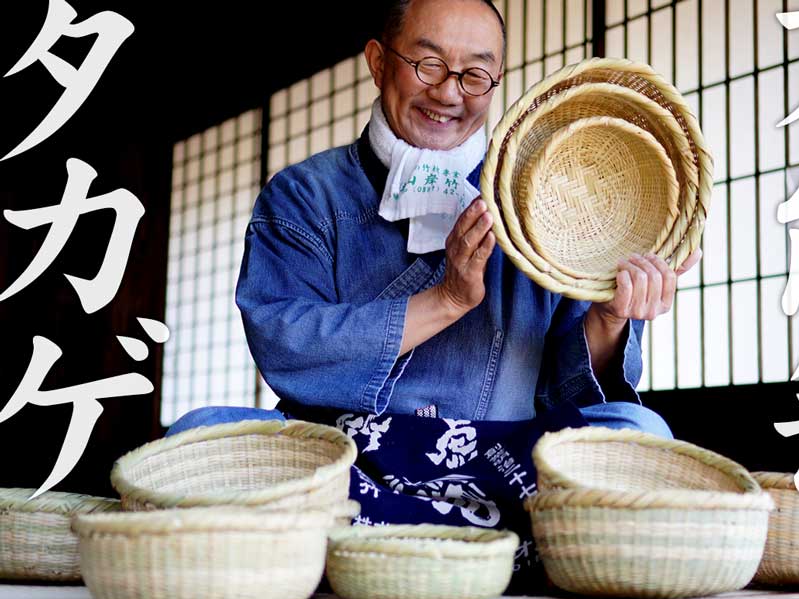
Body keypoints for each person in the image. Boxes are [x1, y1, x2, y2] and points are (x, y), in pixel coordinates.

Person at [168, 0, 699, 438]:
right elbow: (285, 346)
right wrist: (446, 300)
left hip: (495, 457)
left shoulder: (540, 204)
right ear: (378, 63)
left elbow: (570, 392)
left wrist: (609, 319)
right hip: (337, 458)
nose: (449, 93)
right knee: (198, 434)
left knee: (637, 428)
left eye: (474, 75)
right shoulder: (305, 194)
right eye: (428, 65)